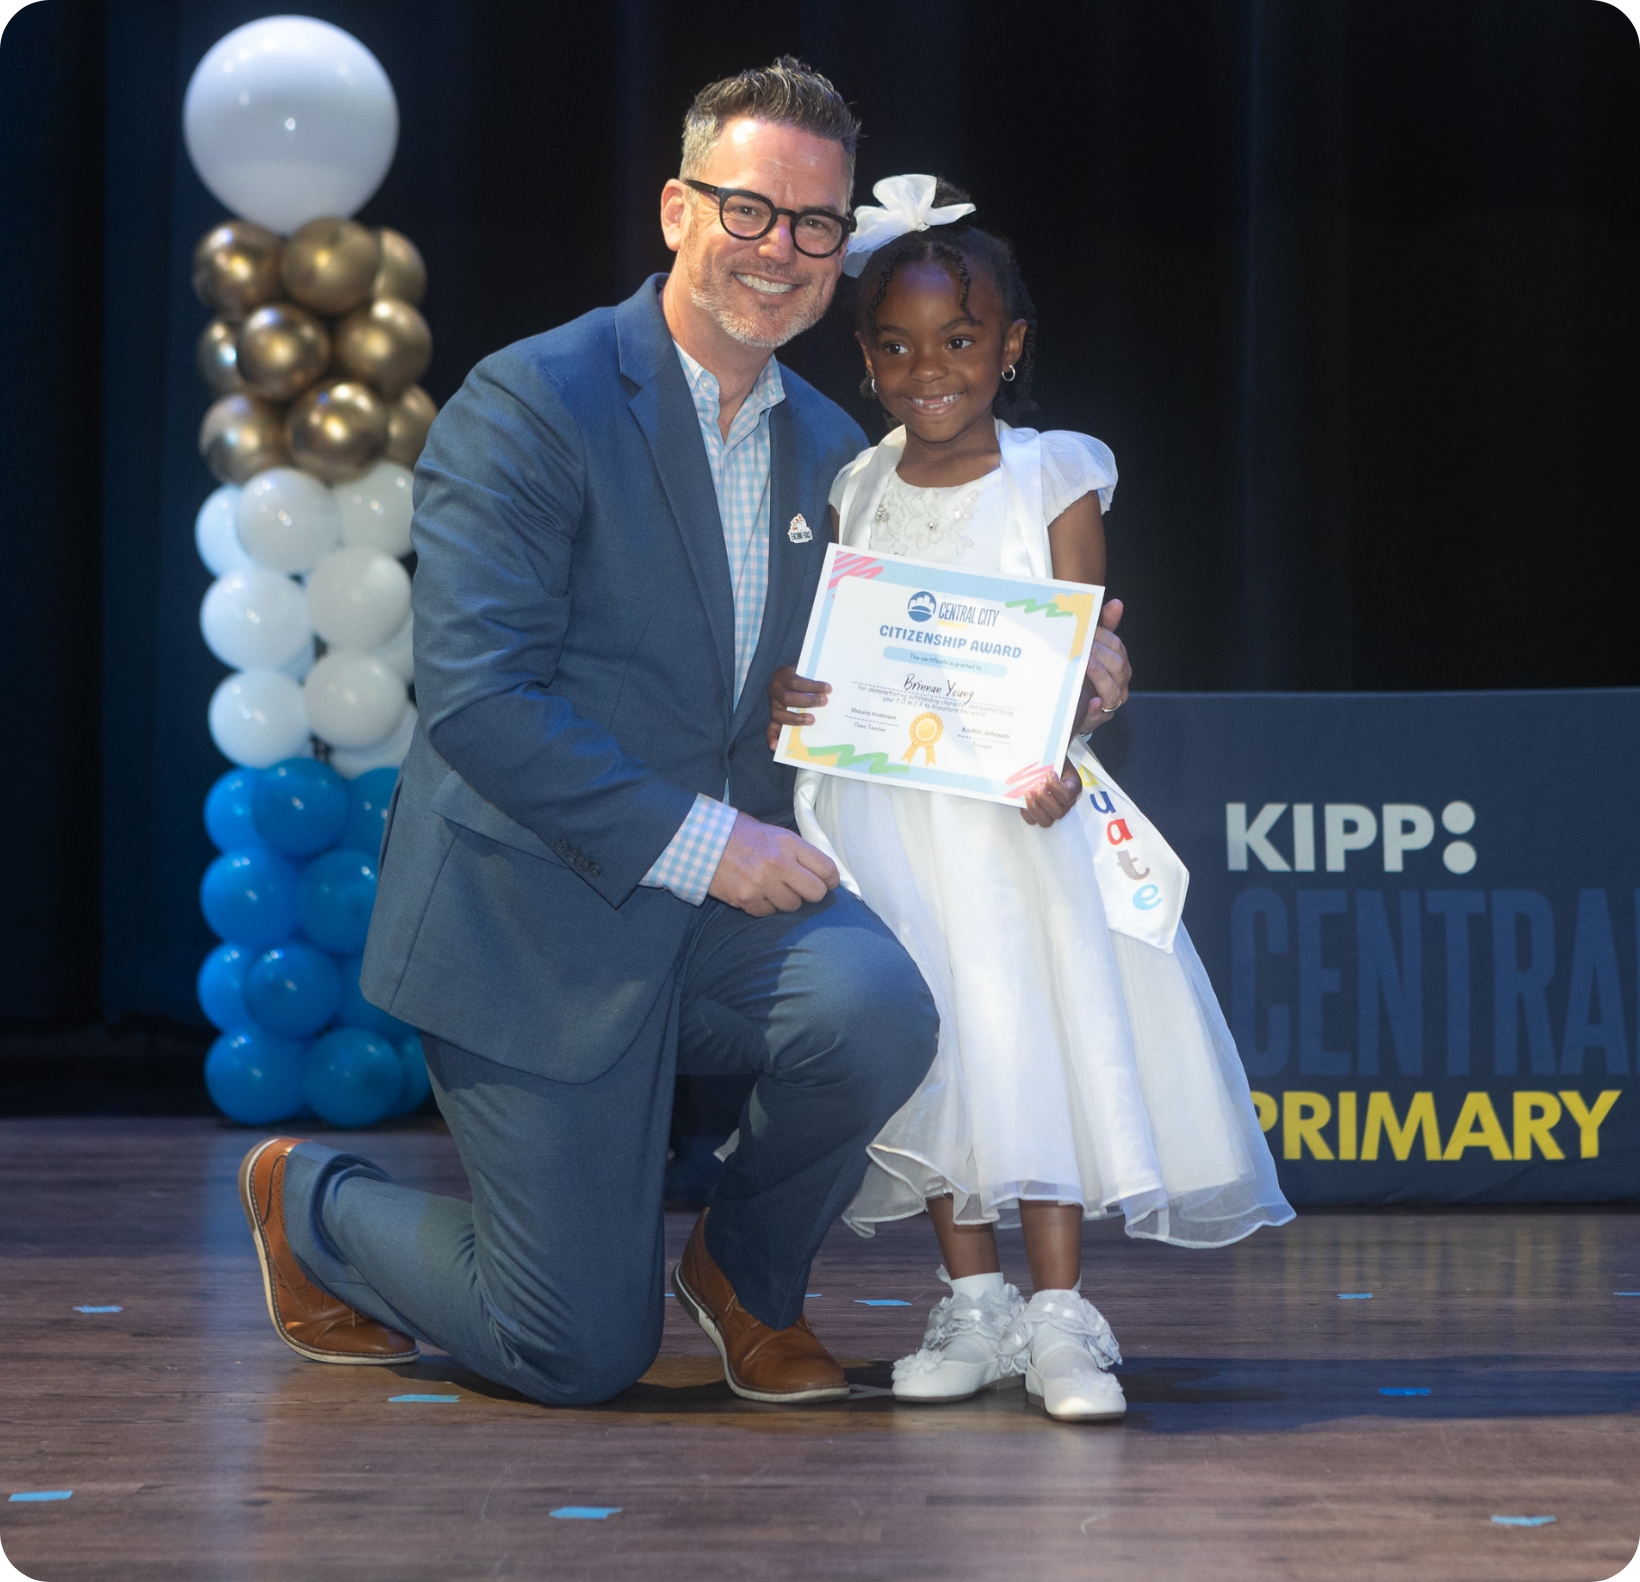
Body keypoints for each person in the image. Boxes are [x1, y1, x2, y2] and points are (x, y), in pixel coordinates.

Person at [234, 61, 1138, 1411]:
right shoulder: (531, 399)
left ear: (843, 249)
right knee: (575, 1350)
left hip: (711, 913)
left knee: (881, 1008)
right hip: (533, 917)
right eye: (750, 209)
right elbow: (479, 696)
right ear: (676, 209)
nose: (781, 249)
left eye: (816, 224)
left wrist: (1076, 671)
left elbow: (924, 646)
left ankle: (743, 1277)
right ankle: (313, 1202)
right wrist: (711, 840)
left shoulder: (840, 448)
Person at [767, 178, 1292, 1423]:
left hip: (1015, 818)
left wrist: (1059, 733)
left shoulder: (1052, 471)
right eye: (893, 346)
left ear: (1010, 346)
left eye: (958, 341)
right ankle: (975, 1303)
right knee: (939, 1054)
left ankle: (1058, 1319)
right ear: (863, 359)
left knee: (1027, 1045)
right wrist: (806, 695)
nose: (925, 369)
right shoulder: (857, 484)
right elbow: (852, 650)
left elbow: (1071, 646)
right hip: (888, 821)